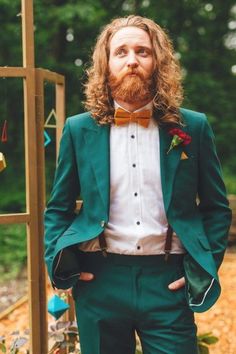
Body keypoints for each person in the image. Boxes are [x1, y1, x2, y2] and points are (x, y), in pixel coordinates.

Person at [44, 15, 232, 354]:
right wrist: (62, 270)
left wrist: (201, 267)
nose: (132, 60)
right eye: (122, 52)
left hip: (168, 281)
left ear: (158, 61)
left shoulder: (194, 127)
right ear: (107, 64)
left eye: (142, 52)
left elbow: (217, 208)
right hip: (99, 279)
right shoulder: (77, 129)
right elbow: (58, 208)